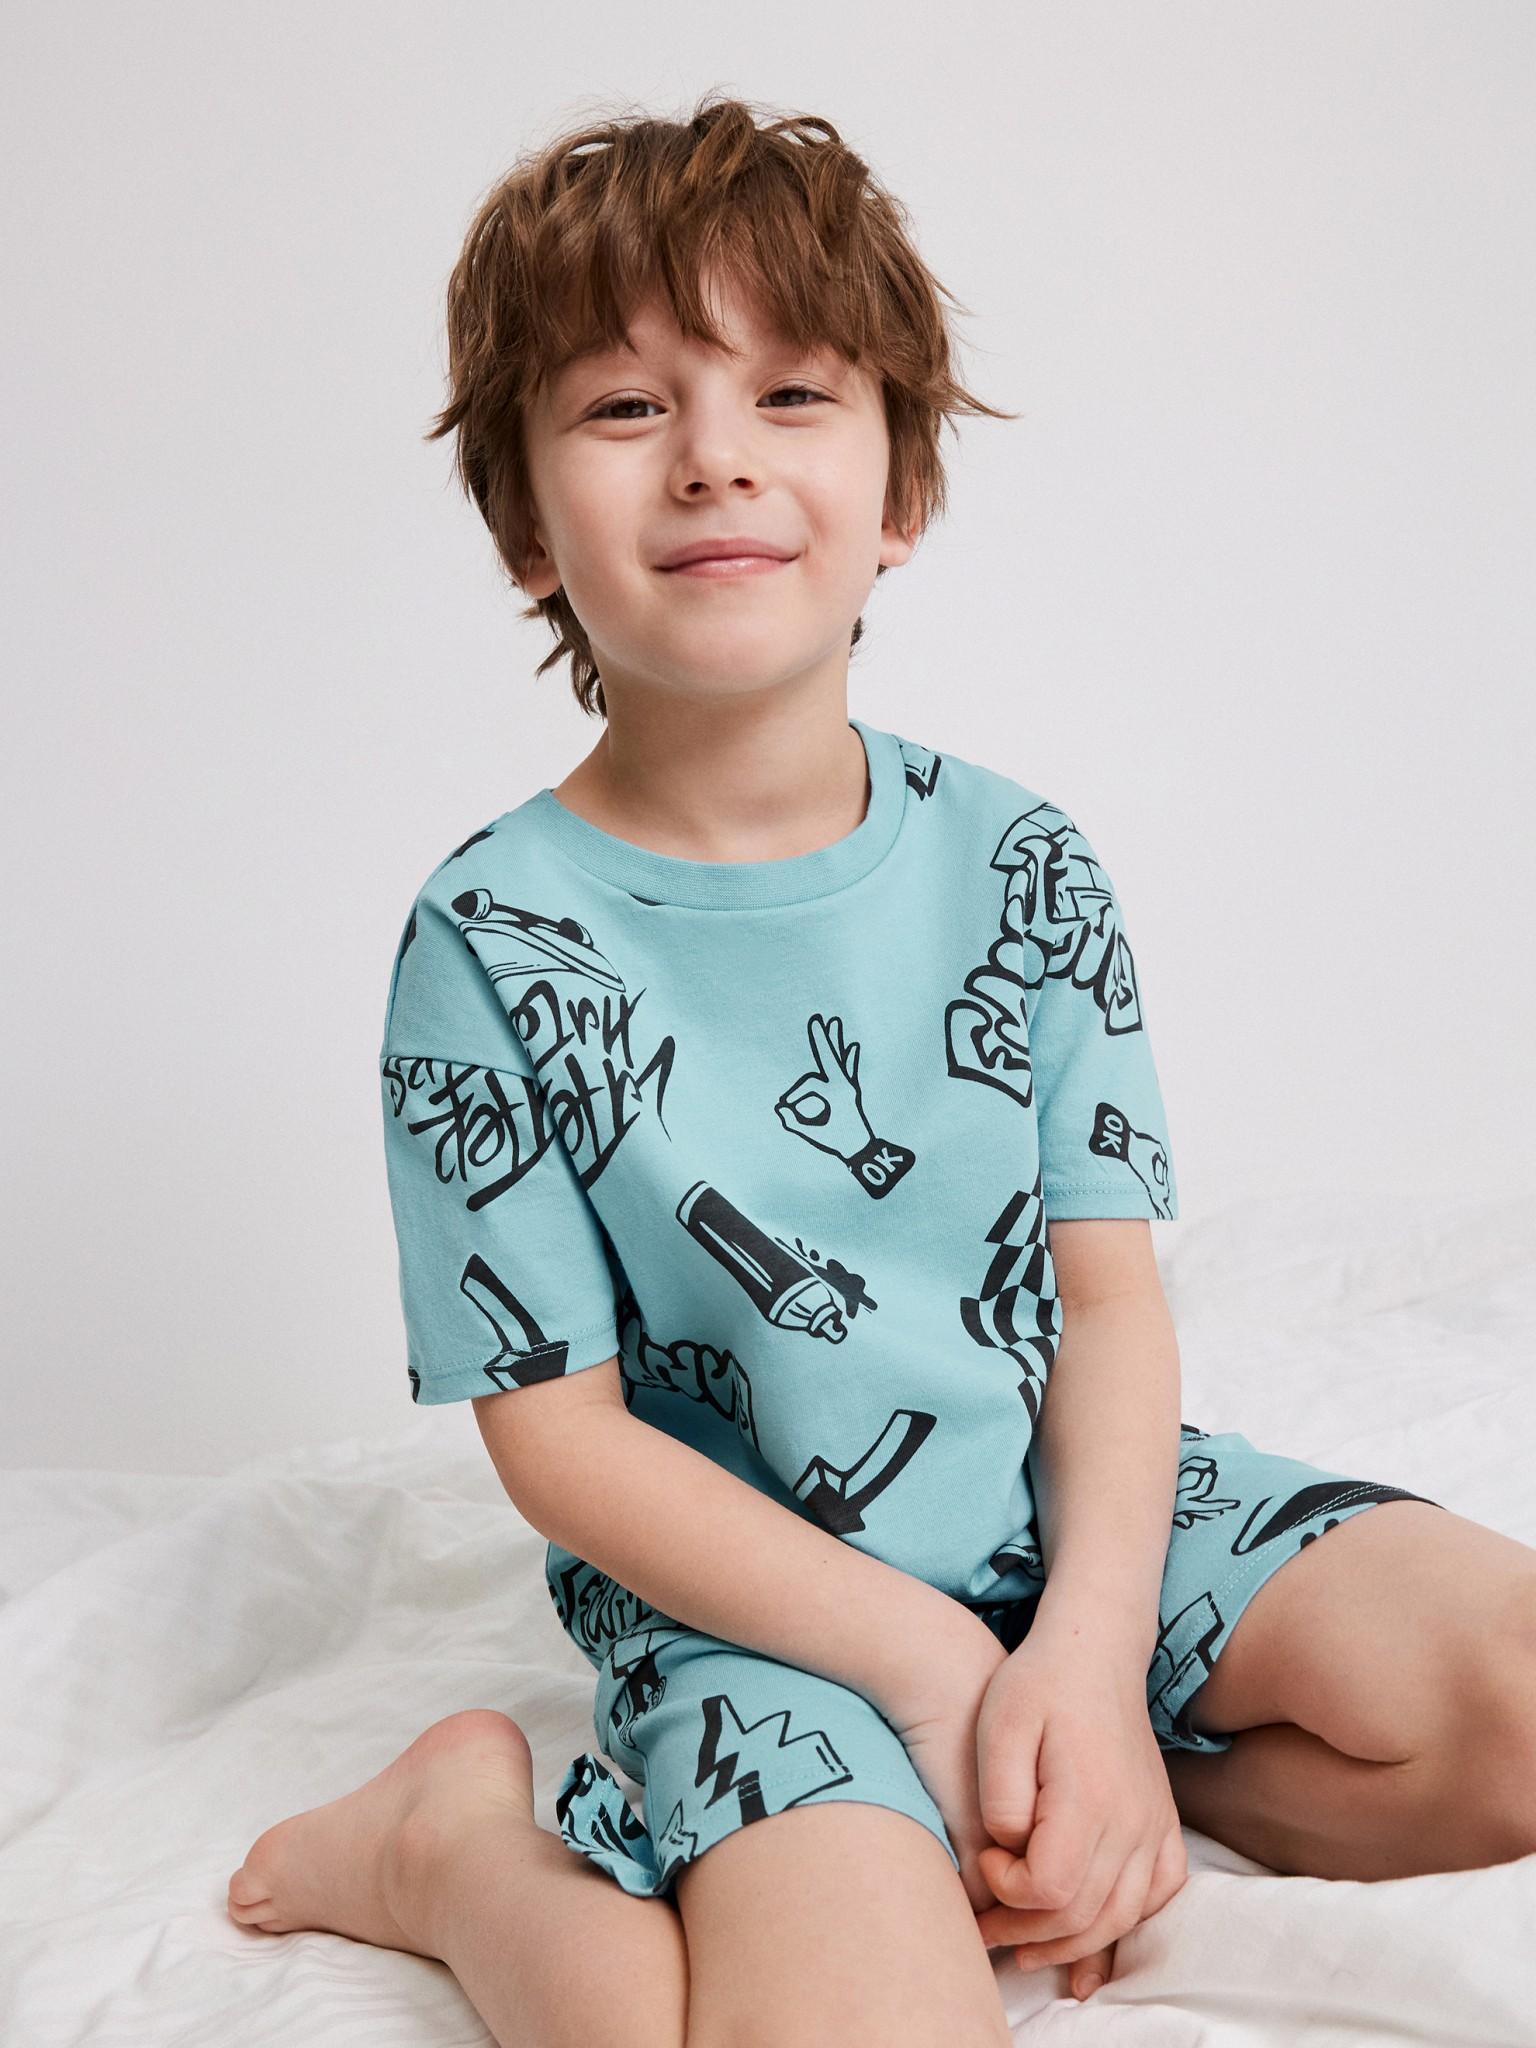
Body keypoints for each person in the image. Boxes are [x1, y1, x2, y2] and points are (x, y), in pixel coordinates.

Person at [226, 94, 1536, 2047]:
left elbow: (1105, 1299)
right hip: (758, 1605)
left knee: (1518, 1698)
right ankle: (451, 1853)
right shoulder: (492, 939)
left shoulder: (1023, 865)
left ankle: (1068, 1816)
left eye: (792, 393)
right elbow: (561, 1439)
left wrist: (1083, 1663)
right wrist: (927, 1669)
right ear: (521, 530)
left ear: (900, 488)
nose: (716, 456)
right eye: (625, 407)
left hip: (1062, 1517)